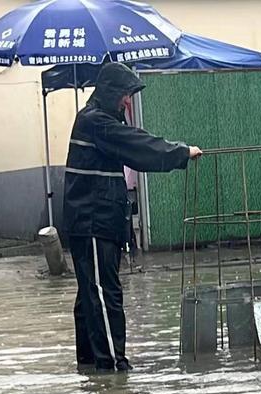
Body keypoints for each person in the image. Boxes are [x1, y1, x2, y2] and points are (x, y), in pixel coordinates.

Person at [63, 62, 202, 371]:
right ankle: (113, 371)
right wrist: (182, 152)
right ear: (112, 93)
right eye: (126, 95)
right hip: (93, 222)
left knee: (91, 296)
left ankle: (91, 370)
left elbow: (130, 143)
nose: (128, 102)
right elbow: (138, 145)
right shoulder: (96, 122)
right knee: (102, 294)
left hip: (97, 222)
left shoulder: (97, 120)